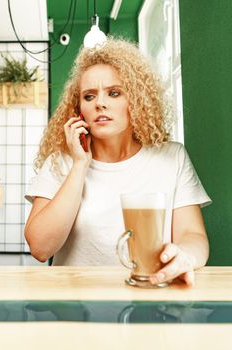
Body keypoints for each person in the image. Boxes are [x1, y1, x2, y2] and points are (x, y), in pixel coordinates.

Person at [24, 38, 211, 287]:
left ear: (135, 101)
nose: (100, 103)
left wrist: (186, 256)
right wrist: (80, 165)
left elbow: (193, 235)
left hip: (151, 299)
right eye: (89, 96)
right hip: (75, 309)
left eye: (114, 93)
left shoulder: (172, 158)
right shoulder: (61, 162)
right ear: (79, 110)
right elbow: (40, 247)